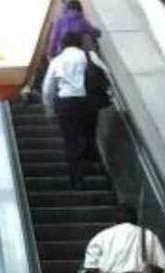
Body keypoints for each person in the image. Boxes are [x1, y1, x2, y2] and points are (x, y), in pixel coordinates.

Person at [42, 31, 109, 189]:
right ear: (79, 43)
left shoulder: (57, 61)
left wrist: (49, 109)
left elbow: (47, 88)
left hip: (66, 103)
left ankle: (77, 178)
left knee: (71, 140)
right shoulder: (89, 56)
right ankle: (90, 162)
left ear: (63, 44)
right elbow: (106, 73)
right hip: (87, 102)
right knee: (87, 133)